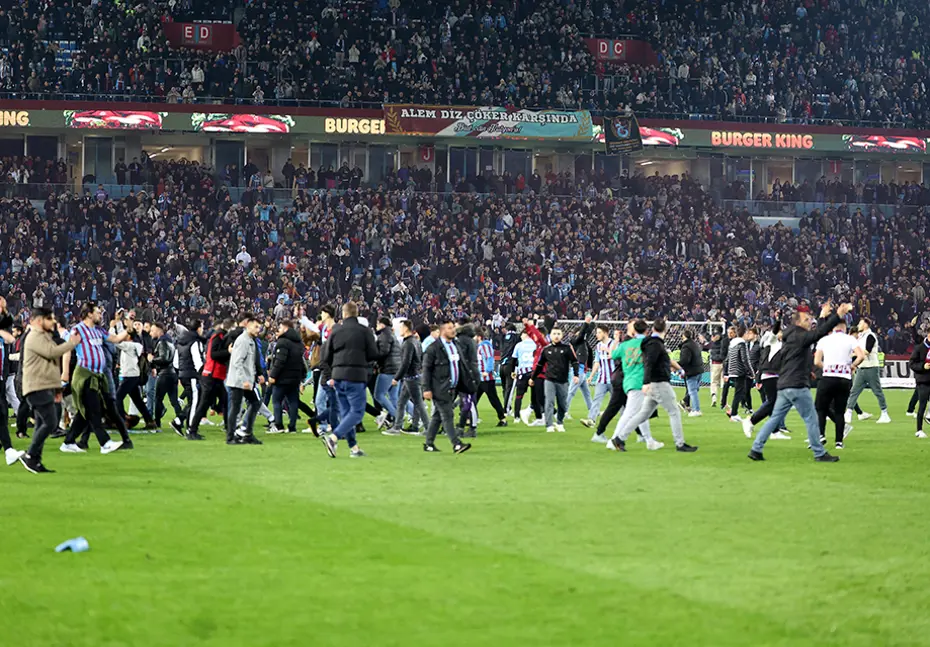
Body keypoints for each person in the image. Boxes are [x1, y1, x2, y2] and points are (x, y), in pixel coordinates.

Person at [748, 302, 852, 463]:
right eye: (807, 319)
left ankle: (756, 448)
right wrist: (835, 315)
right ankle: (819, 453)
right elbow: (820, 333)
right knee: (811, 418)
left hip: (784, 384)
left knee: (775, 418)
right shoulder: (800, 336)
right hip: (797, 385)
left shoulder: (789, 337)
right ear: (798, 322)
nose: (810, 321)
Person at [609, 319, 698, 453]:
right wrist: (646, 382)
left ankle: (620, 438)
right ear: (665, 329)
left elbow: (654, 361)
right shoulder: (655, 344)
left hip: (648, 383)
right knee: (674, 412)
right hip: (659, 383)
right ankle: (680, 443)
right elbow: (650, 363)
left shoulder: (646, 343)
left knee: (642, 415)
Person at [60, 302, 129, 454]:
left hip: (97, 376)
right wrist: (65, 373)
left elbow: (116, 339)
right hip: (84, 375)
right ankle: (105, 443)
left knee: (84, 413)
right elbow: (67, 350)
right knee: (94, 410)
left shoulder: (98, 330)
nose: (100, 315)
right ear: (89, 314)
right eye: (98, 312)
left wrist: (128, 328)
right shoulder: (78, 330)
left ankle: (68, 442)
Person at [19, 308, 81, 473]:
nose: (53, 322)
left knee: (41, 422)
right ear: (39, 320)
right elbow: (51, 353)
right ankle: (30, 455)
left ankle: (35, 461)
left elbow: (51, 364)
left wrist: (56, 388)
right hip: (36, 386)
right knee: (51, 422)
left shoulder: (44, 337)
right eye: (50, 319)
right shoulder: (34, 337)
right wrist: (72, 343)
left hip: (44, 385)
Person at [319, 302, 378, 458]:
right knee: (357, 412)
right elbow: (373, 354)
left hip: (338, 376)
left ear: (343, 314)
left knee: (346, 413)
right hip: (356, 376)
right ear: (356, 313)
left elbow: (325, 356)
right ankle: (333, 437)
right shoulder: (364, 331)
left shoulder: (336, 331)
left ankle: (354, 449)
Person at [421, 319, 472, 454]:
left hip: (453, 387)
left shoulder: (456, 345)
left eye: (453, 327)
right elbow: (426, 369)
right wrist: (426, 388)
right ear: (442, 330)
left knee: (438, 416)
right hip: (439, 387)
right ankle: (456, 444)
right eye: (450, 328)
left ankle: (429, 443)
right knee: (448, 415)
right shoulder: (433, 348)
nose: (453, 330)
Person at [814, 321, 866, 449]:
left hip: (828, 377)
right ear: (844, 328)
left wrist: (826, 367)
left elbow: (816, 361)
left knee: (821, 408)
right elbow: (861, 356)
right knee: (839, 411)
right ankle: (839, 442)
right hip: (844, 378)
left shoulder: (824, 340)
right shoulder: (850, 339)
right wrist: (852, 366)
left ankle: (821, 435)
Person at [743, 321, 791, 440]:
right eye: (780, 331)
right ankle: (751, 421)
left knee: (774, 403)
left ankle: (774, 430)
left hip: (776, 376)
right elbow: (774, 333)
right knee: (772, 402)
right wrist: (778, 320)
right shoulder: (771, 341)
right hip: (770, 375)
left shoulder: (782, 345)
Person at [187, 319, 232, 441]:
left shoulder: (218, 336)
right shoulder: (219, 337)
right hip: (212, 374)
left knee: (224, 400)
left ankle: (229, 429)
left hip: (215, 375)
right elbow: (213, 355)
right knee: (204, 403)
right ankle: (192, 431)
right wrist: (228, 352)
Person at [384, 320, 429, 436]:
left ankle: (428, 427)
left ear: (406, 328)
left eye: (401, 328)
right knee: (401, 402)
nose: (399, 330)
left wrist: (397, 378)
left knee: (418, 403)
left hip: (411, 377)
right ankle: (400, 427)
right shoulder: (416, 341)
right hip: (415, 375)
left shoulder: (408, 343)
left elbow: (405, 363)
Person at [529, 327, 579, 433]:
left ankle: (560, 422)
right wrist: (532, 378)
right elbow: (539, 365)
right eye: (554, 333)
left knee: (562, 404)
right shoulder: (546, 349)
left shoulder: (567, 348)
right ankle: (549, 425)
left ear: (562, 335)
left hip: (563, 380)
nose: (556, 336)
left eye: (558, 333)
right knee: (549, 401)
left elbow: (574, 361)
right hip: (549, 379)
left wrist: (576, 375)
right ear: (550, 336)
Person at [844, 318, 892, 424]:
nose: (858, 325)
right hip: (861, 367)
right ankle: (848, 413)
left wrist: (853, 354)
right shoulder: (861, 337)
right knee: (854, 391)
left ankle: (885, 413)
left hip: (871, 367)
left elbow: (867, 351)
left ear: (866, 325)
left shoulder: (870, 336)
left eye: (860, 323)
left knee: (877, 391)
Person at [225, 315, 264, 446]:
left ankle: (247, 433)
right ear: (247, 325)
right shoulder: (243, 340)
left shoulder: (250, 340)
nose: (258, 329)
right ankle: (231, 437)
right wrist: (244, 380)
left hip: (247, 380)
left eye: (259, 327)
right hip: (239, 381)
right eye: (255, 326)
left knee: (255, 402)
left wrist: (257, 375)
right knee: (236, 408)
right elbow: (237, 362)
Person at [269, 319, 308, 434]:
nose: (278, 330)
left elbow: (280, 361)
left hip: (282, 378)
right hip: (295, 377)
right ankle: (292, 427)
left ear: (286, 329)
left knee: (276, 401)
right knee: (293, 402)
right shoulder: (298, 343)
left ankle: (279, 426)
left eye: (280, 328)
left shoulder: (282, 342)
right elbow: (301, 361)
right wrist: (302, 377)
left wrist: (273, 375)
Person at [114, 322, 155, 428]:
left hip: (130, 376)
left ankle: (123, 420)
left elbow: (116, 341)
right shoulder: (135, 346)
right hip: (133, 375)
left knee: (118, 397)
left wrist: (113, 327)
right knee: (137, 400)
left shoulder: (129, 345)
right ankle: (150, 421)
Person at [149, 322, 185, 435]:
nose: (151, 332)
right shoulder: (169, 341)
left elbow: (164, 358)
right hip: (172, 373)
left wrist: (152, 360)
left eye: (153, 330)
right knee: (174, 400)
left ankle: (157, 423)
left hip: (164, 374)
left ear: (160, 331)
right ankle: (180, 420)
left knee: (158, 399)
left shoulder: (162, 341)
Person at [582, 323, 616, 428]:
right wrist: (591, 376)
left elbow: (618, 357)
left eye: (599, 332)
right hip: (602, 378)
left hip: (614, 379)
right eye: (596, 333)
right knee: (597, 399)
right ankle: (591, 420)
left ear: (606, 333)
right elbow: (597, 362)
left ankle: (630, 420)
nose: (597, 335)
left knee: (619, 402)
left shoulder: (614, 344)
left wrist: (608, 351)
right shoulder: (598, 346)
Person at [474, 327, 507, 427]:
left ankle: (503, 419)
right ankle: (469, 418)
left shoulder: (484, 346)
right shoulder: (480, 346)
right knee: (473, 399)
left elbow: (489, 359)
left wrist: (487, 371)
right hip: (480, 378)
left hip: (486, 379)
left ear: (479, 337)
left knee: (493, 399)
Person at [177, 319, 206, 431]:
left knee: (192, 401)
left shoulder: (182, 341)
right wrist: (202, 374)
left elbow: (176, 360)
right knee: (195, 402)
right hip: (192, 374)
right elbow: (197, 361)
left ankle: (178, 421)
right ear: (198, 328)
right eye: (202, 327)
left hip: (183, 373)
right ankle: (191, 428)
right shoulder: (195, 341)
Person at [373, 316, 401, 428]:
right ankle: (401, 419)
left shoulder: (384, 336)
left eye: (377, 324)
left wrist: (375, 360)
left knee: (378, 395)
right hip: (396, 368)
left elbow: (383, 352)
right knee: (394, 397)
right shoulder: (392, 335)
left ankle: (396, 418)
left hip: (388, 369)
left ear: (382, 324)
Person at [565, 315, 595, 418]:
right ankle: (563, 412)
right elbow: (583, 333)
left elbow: (588, 332)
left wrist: (593, 322)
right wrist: (586, 323)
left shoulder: (583, 341)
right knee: (571, 392)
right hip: (578, 370)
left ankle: (592, 411)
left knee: (586, 393)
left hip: (582, 371)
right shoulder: (575, 341)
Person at [725, 326, 755, 422]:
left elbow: (728, 358)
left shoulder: (732, 343)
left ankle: (733, 411)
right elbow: (745, 359)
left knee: (738, 392)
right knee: (739, 392)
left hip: (732, 370)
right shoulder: (742, 344)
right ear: (744, 334)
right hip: (739, 371)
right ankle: (734, 414)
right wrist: (751, 372)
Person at [510, 328, 537, 424]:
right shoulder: (535, 344)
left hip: (523, 372)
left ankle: (517, 417)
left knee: (519, 396)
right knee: (537, 395)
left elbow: (513, 359)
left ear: (525, 335)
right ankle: (541, 415)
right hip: (534, 372)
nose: (520, 336)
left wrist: (513, 371)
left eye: (521, 334)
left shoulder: (519, 345)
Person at [908, 330, 930, 439]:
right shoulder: (920, 348)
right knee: (922, 405)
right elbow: (912, 363)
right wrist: (923, 366)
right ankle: (919, 430)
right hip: (923, 381)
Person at [678, 329, 705, 416]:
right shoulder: (695, 344)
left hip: (691, 371)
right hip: (699, 370)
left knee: (692, 391)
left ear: (684, 336)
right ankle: (687, 404)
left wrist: (676, 365)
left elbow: (685, 360)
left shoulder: (686, 346)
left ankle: (696, 410)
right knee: (694, 391)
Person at [498, 322, 519, 412]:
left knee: (504, 388)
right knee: (509, 388)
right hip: (510, 365)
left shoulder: (503, 338)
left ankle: (507, 407)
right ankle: (506, 408)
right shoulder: (516, 338)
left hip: (501, 365)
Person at [709, 328, 726, 408]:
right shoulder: (724, 341)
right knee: (722, 382)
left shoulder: (713, 343)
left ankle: (715, 397)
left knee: (714, 382)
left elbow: (703, 332)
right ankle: (721, 399)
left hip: (716, 364)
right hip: (722, 363)